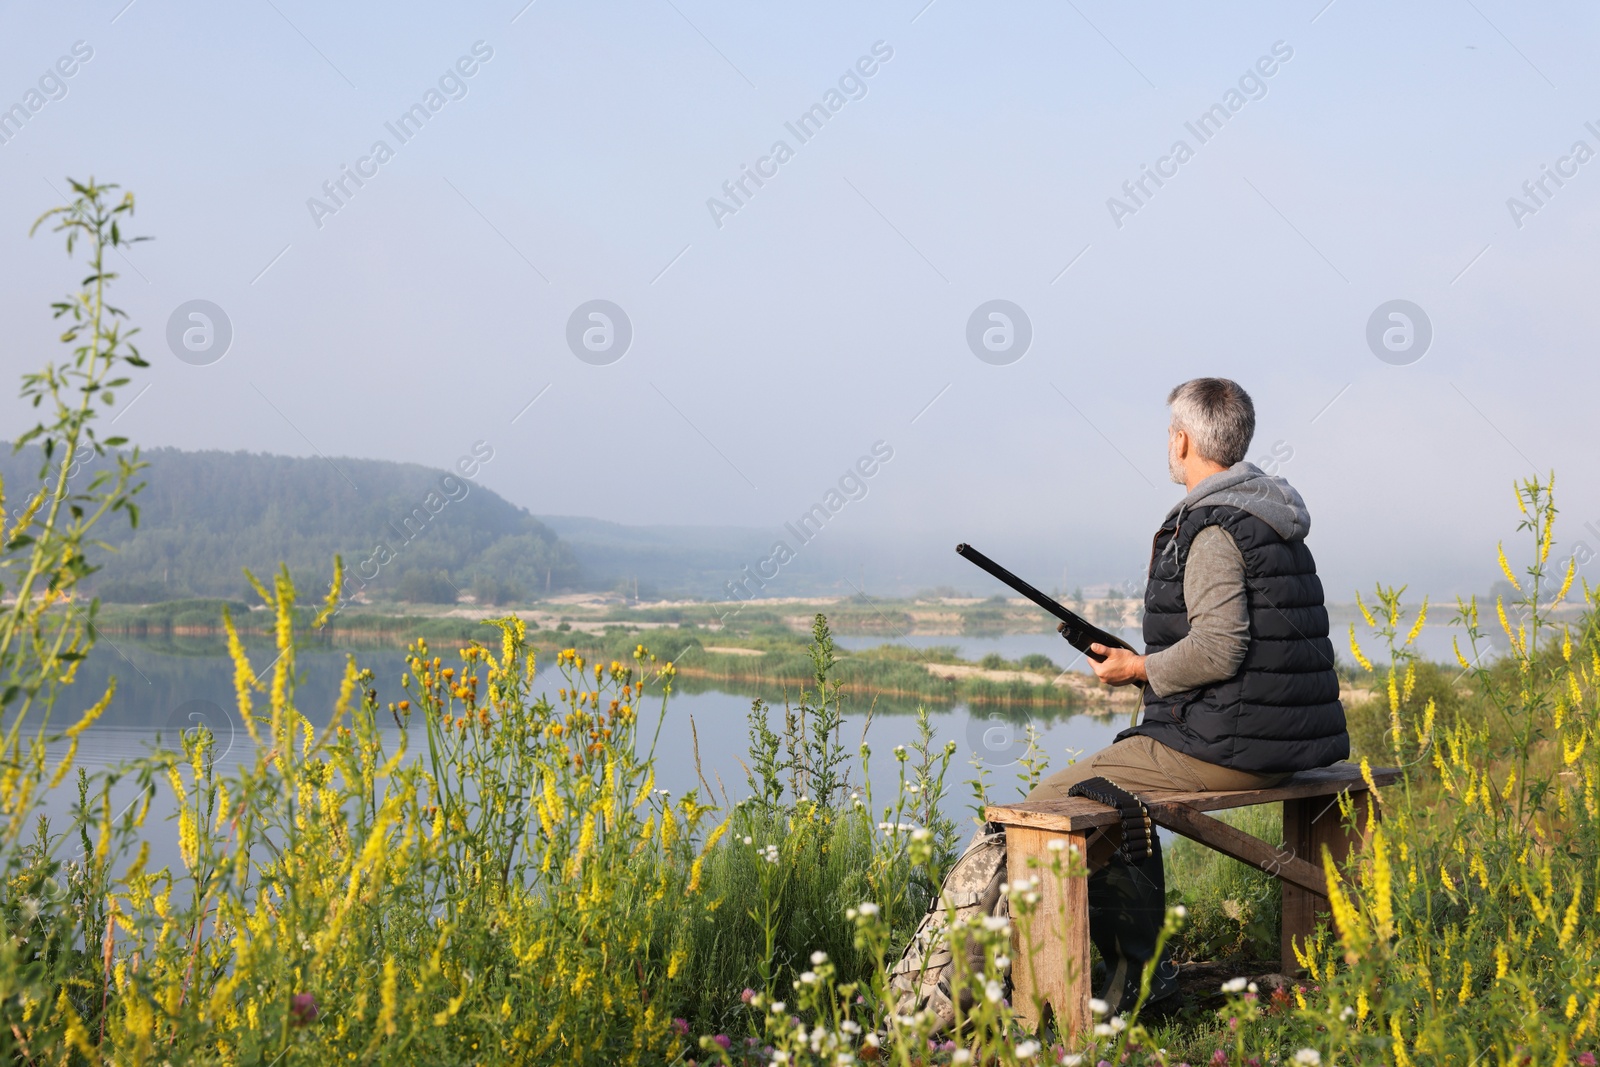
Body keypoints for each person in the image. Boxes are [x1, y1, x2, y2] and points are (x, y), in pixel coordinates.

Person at [891, 377, 1349, 1023]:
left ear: (1184, 438)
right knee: (1093, 800)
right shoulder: (1268, 515)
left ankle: (963, 1004)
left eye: (1170, 432)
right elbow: (1252, 658)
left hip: (1231, 748)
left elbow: (1220, 648)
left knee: (1036, 813)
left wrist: (1141, 664)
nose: (1168, 442)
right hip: (1284, 740)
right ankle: (1111, 971)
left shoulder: (1213, 528)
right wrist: (1143, 670)